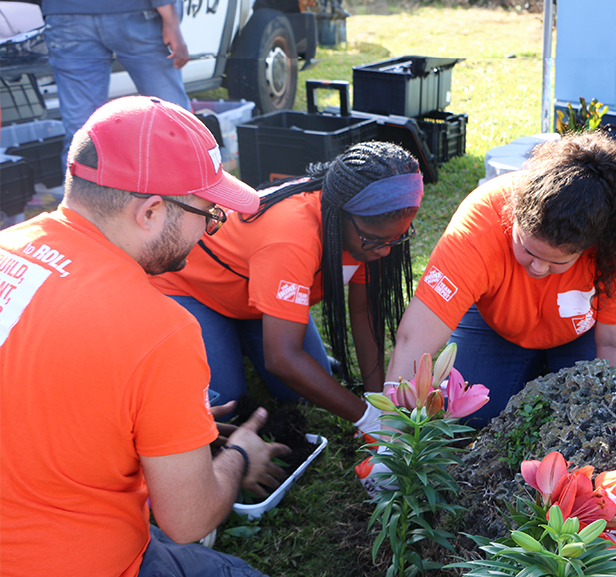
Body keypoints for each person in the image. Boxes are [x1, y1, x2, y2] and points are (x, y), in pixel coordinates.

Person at [0, 96, 326, 577]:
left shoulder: (11, 249)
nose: (211, 231)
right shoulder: (156, 328)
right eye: (205, 214)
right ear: (150, 210)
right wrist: (235, 456)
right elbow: (187, 519)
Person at [385, 131, 616, 428]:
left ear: (591, 247)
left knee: (579, 416)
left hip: (591, 327)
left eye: (558, 261)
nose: (538, 269)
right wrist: (388, 434)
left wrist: (605, 433)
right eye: (527, 250)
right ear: (512, 214)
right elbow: (414, 339)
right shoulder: (481, 222)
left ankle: (542, 369)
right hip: (497, 322)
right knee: (468, 414)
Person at [149, 141, 423, 438]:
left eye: (396, 239)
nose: (384, 252)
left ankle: (237, 340)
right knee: (227, 406)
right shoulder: (293, 238)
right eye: (375, 241)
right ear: (339, 216)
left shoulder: (374, 233)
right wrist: (366, 418)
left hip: (255, 302)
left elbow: (364, 310)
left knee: (305, 392)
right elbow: (282, 358)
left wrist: (377, 401)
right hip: (193, 290)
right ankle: (226, 338)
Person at [42, 0, 191, 171]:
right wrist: (171, 21)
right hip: (135, 12)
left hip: (66, 14)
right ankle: (189, 192)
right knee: (171, 120)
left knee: (81, 128)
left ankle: (82, 196)